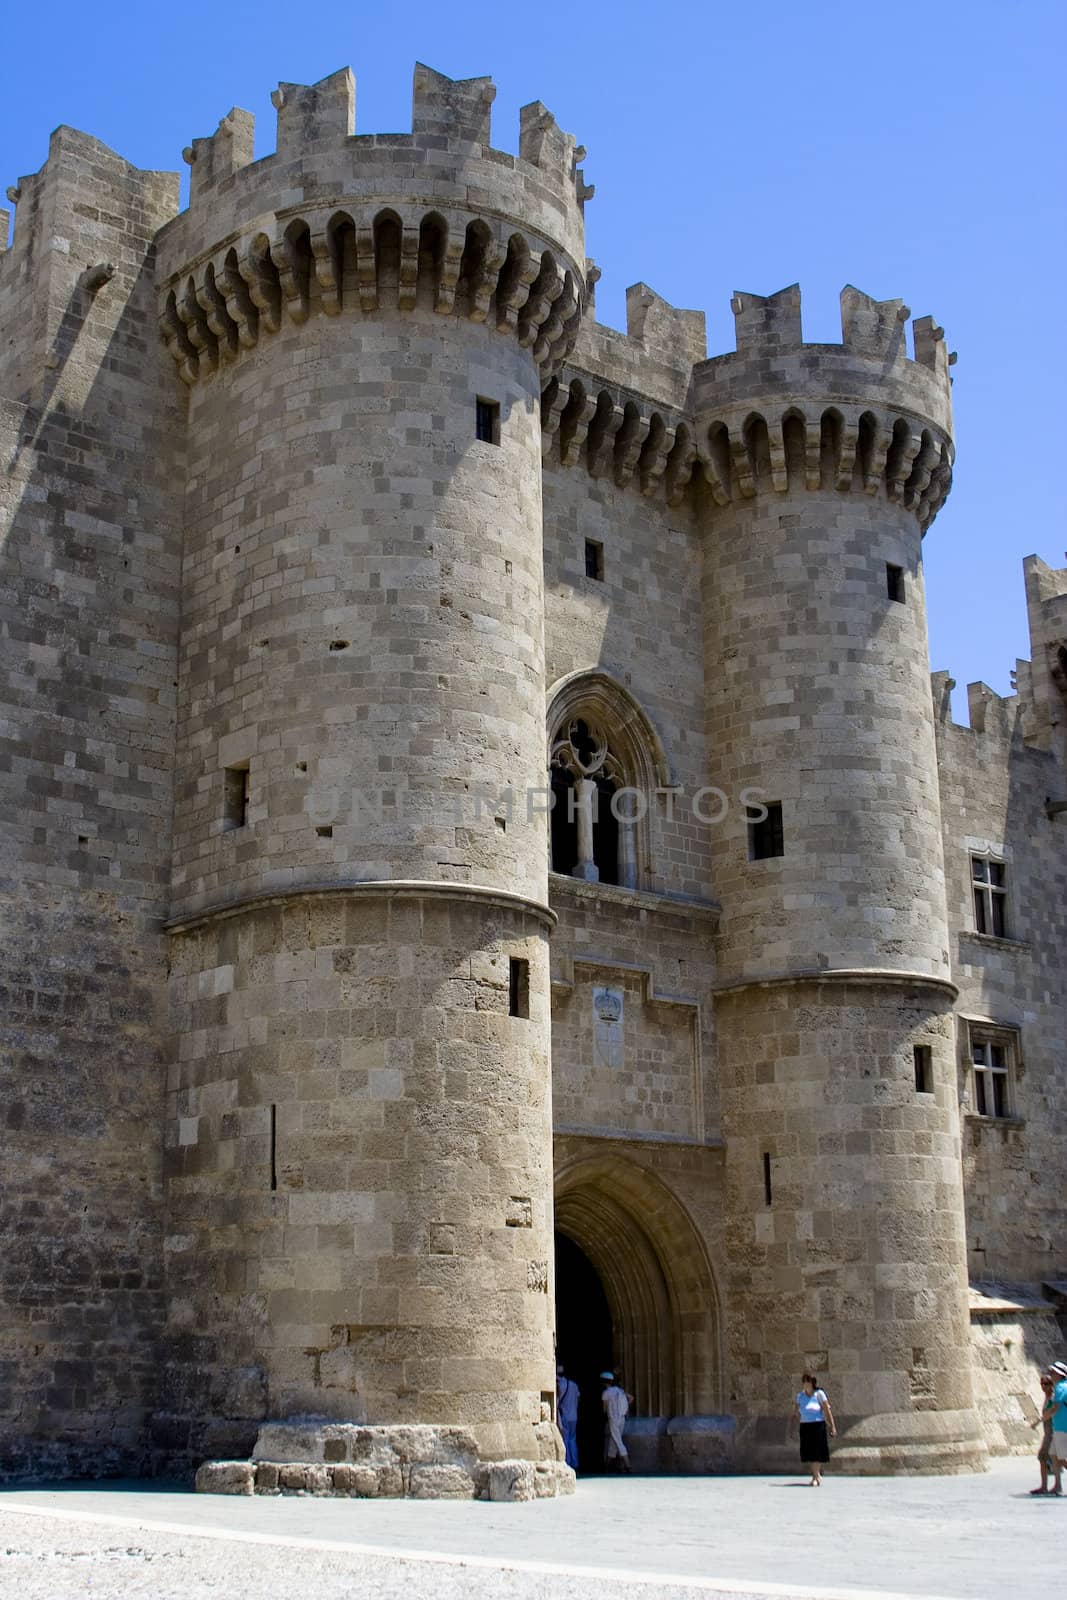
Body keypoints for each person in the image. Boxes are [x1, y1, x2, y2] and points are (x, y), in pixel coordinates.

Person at [790, 1372, 836, 1486]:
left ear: (812, 1383)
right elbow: (795, 1413)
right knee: (809, 1453)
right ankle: (816, 1474)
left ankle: (815, 1477)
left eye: (808, 1381)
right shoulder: (800, 1396)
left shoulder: (819, 1394)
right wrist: (792, 1427)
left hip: (818, 1425)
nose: (805, 1384)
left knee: (817, 1452)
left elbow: (827, 1410)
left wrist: (832, 1426)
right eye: (804, 1381)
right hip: (805, 1426)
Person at [1030, 1370, 1057, 1495]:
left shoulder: (1052, 1398)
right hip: (1048, 1432)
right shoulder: (1047, 1397)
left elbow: (1050, 1413)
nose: (1043, 1386)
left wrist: (1037, 1422)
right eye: (1042, 1383)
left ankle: (1045, 1486)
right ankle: (1046, 1485)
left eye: (1046, 1384)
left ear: (1052, 1385)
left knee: (1043, 1457)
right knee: (1051, 1459)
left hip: (1051, 1433)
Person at [600, 1369, 631, 1473]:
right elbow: (631, 1398)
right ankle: (607, 1467)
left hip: (613, 1419)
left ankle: (627, 1465)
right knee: (614, 1442)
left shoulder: (606, 1393)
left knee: (618, 1441)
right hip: (622, 1418)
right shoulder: (620, 1390)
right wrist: (625, 1409)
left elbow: (604, 1409)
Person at [1047, 1360, 1067, 1494]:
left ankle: (1058, 1485)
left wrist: (1041, 1419)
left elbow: (1055, 1407)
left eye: (1053, 1372)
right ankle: (1058, 1485)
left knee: (1062, 1458)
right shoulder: (1063, 1386)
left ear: (1059, 1374)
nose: (1051, 1374)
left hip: (1062, 1427)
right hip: (1060, 1426)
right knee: (1053, 1454)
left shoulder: (1060, 1387)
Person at [556, 1363, 580, 1472]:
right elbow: (578, 1398)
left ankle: (567, 1461)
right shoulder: (574, 1385)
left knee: (565, 1438)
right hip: (574, 1415)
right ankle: (575, 1462)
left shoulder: (561, 1385)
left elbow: (558, 1401)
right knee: (572, 1439)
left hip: (564, 1415)